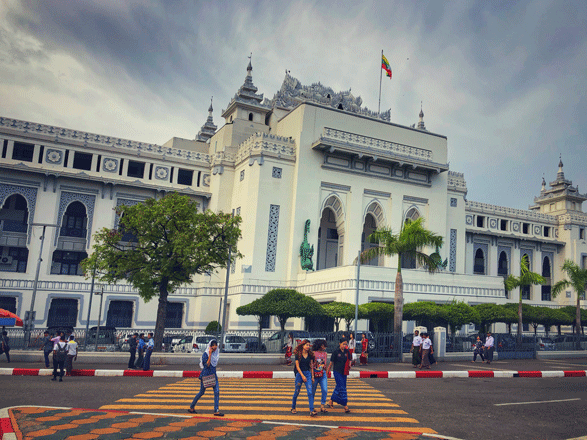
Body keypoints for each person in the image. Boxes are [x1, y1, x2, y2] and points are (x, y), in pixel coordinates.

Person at [188, 340, 224, 416]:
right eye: (212, 345)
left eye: (215, 345)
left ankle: (216, 410)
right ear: (210, 346)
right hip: (206, 375)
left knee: (217, 392)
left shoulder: (216, 354)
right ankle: (191, 407)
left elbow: (214, 364)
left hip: (213, 375)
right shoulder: (205, 354)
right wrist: (210, 354)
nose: (214, 347)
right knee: (201, 392)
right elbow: (206, 365)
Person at [291, 339, 316, 416]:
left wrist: (312, 376)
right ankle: (293, 407)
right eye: (307, 345)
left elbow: (311, 366)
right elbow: (297, 366)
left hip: (307, 374)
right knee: (297, 391)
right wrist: (302, 376)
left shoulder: (310, 354)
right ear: (303, 345)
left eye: (309, 345)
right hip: (299, 374)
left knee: (310, 392)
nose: (308, 346)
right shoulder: (298, 354)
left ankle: (311, 410)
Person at [327, 337, 351, 413]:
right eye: (343, 344)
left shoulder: (347, 352)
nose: (344, 346)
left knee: (339, 387)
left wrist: (349, 365)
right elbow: (331, 363)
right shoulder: (336, 352)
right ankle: (345, 405)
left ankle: (331, 400)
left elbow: (350, 360)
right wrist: (327, 371)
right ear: (339, 344)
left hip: (344, 372)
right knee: (342, 387)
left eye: (346, 344)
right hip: (337, 372)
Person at [312, 339, 329, 413]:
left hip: (323, 373)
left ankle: (322, 406)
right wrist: (312, 375)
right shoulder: (313, 353)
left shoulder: (325, 354)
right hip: (315, 373)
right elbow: (311, 365)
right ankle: (311, 406)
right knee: (313, 391)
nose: (324, 347)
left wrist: (326, 370)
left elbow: (325, 364)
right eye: (322, 345)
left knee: (325, 390)